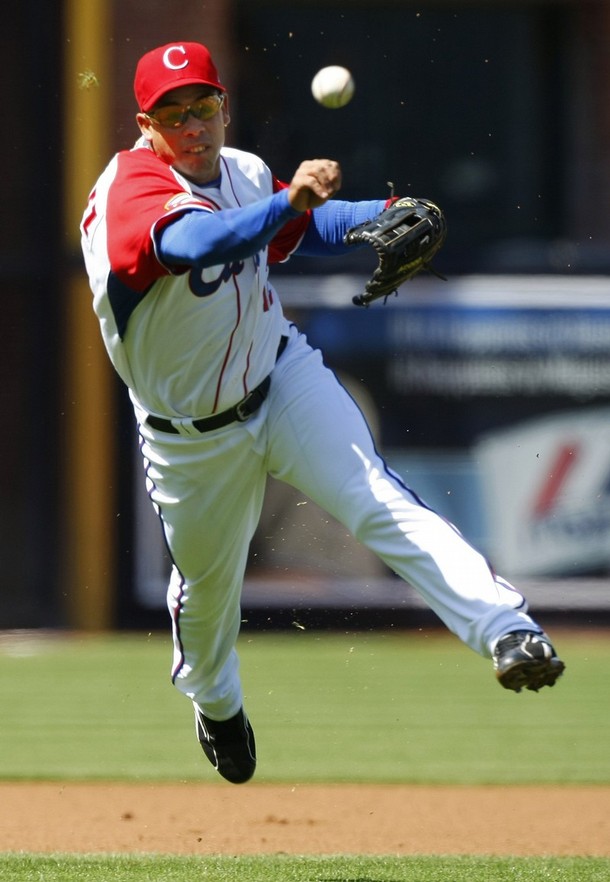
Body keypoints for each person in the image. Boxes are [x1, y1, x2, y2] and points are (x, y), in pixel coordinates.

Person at [80, 42, 565, 785]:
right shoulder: (130, 187)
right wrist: (290, 202)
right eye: (174, 114)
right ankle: (215, 701)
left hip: (282, 375)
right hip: (189, 437)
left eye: (203, 106)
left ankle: (508, 631)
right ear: (147, 125)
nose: (193, 126)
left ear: (223, 107)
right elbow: (192, 241)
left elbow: (307, 227)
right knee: (209, 598)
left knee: (374, 498)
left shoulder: (240, 170)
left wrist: (385, 212)